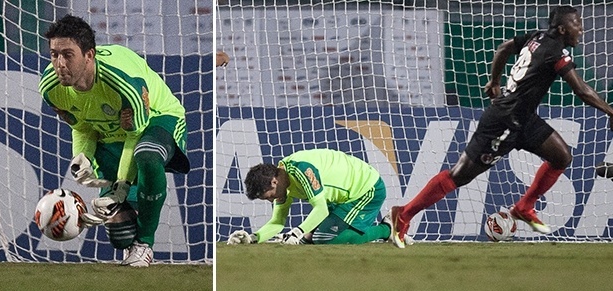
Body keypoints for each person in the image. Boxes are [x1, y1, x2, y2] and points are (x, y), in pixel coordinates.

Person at [389, 5, 613, 248]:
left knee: (561, 156)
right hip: (503, 121)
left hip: (523, 118)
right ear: (562, 28)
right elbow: (581, 90)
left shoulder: (536, 38)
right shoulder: (556, 53)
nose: (581, 29)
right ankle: (404, 214)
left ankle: (524, 206)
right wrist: (610, 111)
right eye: (577, 24)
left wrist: (494, 81)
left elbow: (504, 47)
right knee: (459, 175)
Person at [39, 15, 190, 266]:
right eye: (54, 55)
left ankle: (145, 245)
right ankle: (132, 240)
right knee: (120, 236)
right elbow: (83, 127)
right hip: (110, 135)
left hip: (158, 118)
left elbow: (135, 134)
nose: (60, 64)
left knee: (147, 155)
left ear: (89, 55)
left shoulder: (122, 82)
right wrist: (82, 157)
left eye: (68, 54)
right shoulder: (51, 87)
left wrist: (122, 184)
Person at [227, 148, 391, 245]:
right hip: (339, 199)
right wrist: (253, 237)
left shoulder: (302, 169)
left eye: (268, 197)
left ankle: (388, 229)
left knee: (322, 237)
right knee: (309, 238)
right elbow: (277, 222)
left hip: (366, 189)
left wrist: (297, 232)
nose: (271, 200)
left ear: (273, 182)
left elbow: (321, 210)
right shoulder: (282, 183)